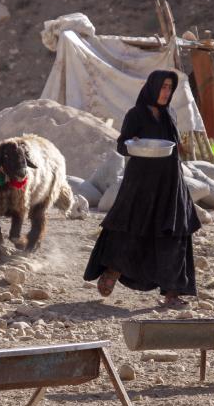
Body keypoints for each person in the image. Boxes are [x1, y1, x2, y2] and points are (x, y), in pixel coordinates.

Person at [84, 69, 201, 308]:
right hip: (141, 183)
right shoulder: (136, 114)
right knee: (130, 228)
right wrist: (133, 144)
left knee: (173, 233)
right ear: (152, 87)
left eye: (170, 87)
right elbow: (121, 146)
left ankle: (172, 292)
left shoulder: (171, 114)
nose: (166, 92)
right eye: (163, 86)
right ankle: (113, 269)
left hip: (170, 182)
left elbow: (174, 146)